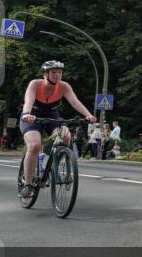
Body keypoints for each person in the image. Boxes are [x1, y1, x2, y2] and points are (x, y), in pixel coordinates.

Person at [19, 60, 97, 197]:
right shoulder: (35, 84)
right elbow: (28, 101)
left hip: (52, 115)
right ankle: (28, 184)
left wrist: (88, 115)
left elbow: (75, 102)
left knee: (66, 136)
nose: (57, 75)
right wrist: (26, 114)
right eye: (54, 72)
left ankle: (62, 168)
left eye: (60, 73)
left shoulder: (64, 86)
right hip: (33, 115)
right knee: (34, 145)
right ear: (46, 73)